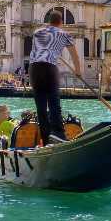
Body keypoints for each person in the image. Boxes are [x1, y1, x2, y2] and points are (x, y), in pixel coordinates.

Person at [29, 10, 81, 145]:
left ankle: (46, 140)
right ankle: (58, 134)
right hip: (49, 67)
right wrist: (78, 71)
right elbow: (74, 55)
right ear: (61, 21)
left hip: (34, 68)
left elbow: (40, 49)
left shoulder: (37, 32)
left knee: (40, 106)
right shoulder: (64, 34)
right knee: (53, 103)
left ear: (48, 21)